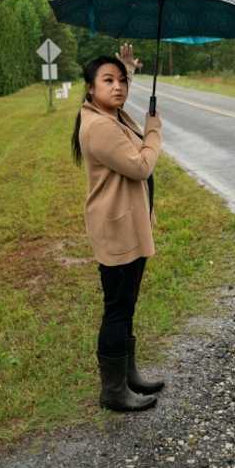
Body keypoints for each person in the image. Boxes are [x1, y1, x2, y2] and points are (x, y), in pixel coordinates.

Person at [70, 44, 165, 412]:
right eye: (108, 81)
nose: (119, 87)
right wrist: (154, 132)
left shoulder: (108, 116)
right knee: (117, 309)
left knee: (126, 305)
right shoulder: (99, 128)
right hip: (117, 229)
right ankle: (112, 390)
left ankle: (128, 375)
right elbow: (141, 166)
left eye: (122, 81)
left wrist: (127, 69)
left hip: (128, 225)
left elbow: (120, 107)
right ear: (90, 88)